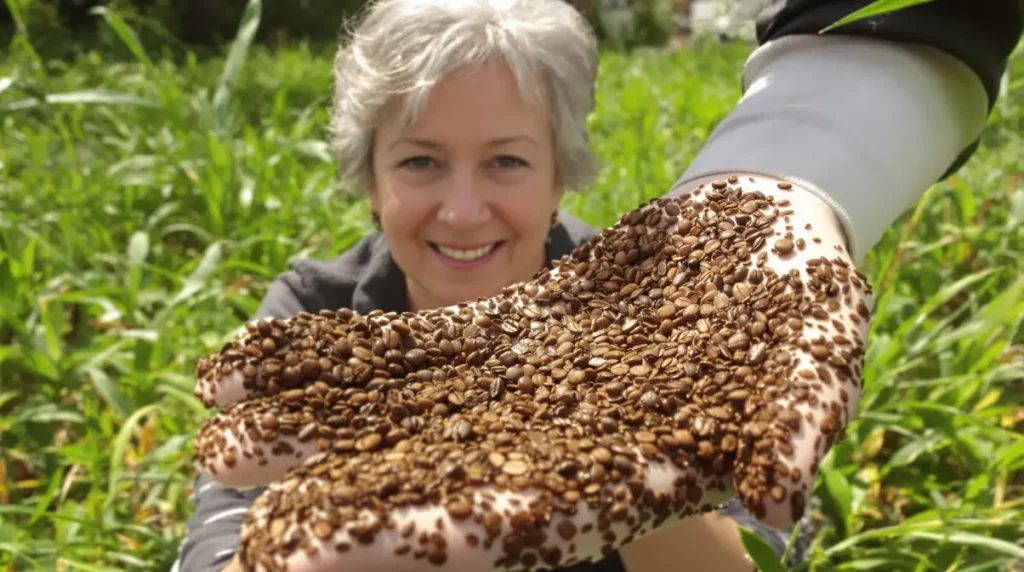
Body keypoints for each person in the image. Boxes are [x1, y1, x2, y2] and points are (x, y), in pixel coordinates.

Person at [172, 0, 1023, 571]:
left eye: (506, 161)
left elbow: (767, 548)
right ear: (370, 180)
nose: (463, 211)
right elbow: (220, 532)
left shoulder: (658, 315)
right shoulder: (313, 314)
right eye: (420, 162)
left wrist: (632, 465)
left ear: (561, 177)